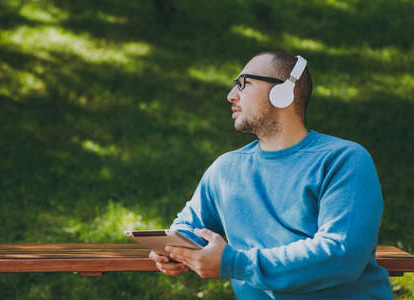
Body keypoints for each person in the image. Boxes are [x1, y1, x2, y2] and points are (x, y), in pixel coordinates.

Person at [149, 51, 393, 299]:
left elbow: (342, 254)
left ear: (284, 92)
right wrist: (174, 250)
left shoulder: (343, 160)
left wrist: (234, 263)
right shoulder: (226, 169)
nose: (231, 95)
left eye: (244, 84)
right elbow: (186, 226)